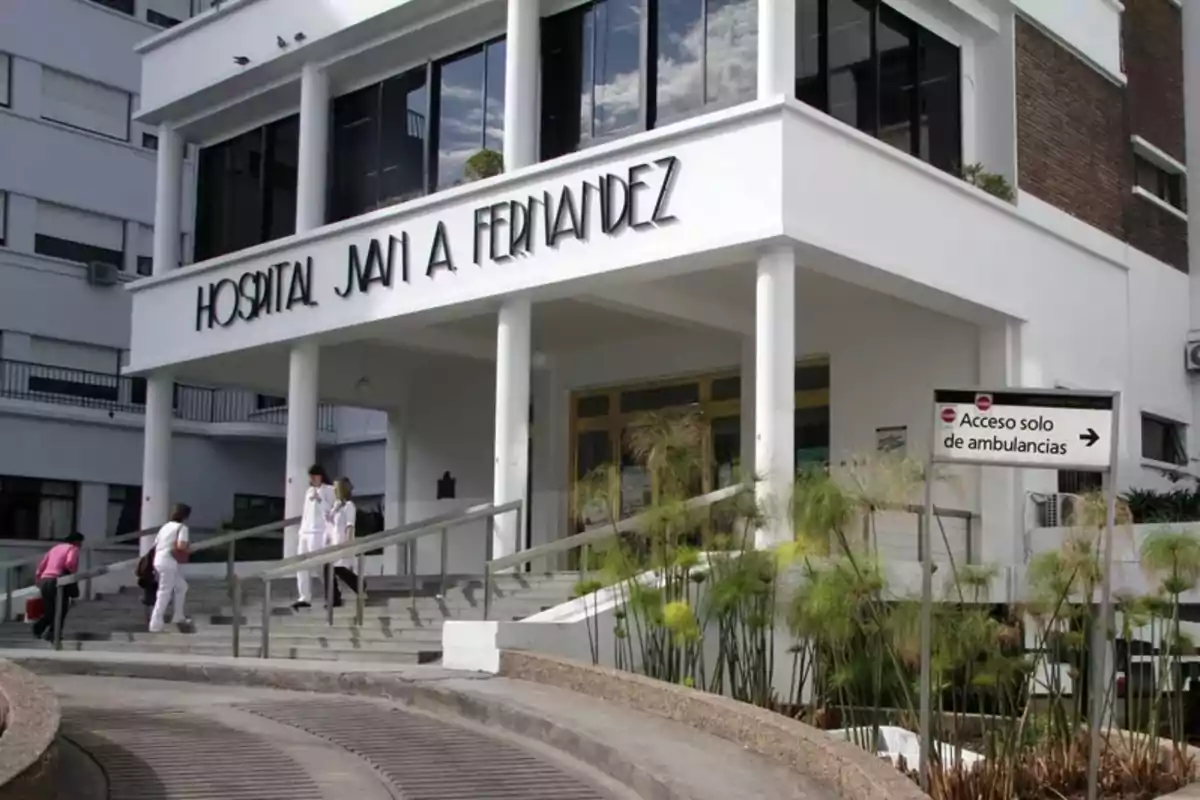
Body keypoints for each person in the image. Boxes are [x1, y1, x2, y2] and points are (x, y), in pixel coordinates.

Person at [293, 464, 334, 610]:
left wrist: (320, 500)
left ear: (320, 475)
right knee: (301, 565)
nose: (312, 478)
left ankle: (332, 593)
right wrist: (301, 531)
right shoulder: (309, 491)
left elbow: (331, 511)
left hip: (319, 532)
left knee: (318, 566)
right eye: (310, 476)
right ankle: (304, 596)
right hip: (306, 531)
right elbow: (305, 513)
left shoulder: (329, 490)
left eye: (314, 475)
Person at [31, 532, 84, 641]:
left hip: (45, 580)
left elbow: (41, 566)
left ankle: (39, 628)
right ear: (76, 541)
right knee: (61, 609)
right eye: (80, 542)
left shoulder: (54, 549)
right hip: (59, 581)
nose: (81, 545)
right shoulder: (72, 548)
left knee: (49, 611)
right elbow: (69, 563)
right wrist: (73, 576)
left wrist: (38, 581)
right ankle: (53, 634)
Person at [149, 503, 192, 633]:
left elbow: (155, 543)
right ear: (186, 516)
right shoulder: (182, 528)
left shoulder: (165, 527)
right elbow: (181, 546)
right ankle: (155, 623)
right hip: (169, 561)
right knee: (164, 591)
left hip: (158, 559)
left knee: (182, 586)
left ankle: (178, 616)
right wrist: (188, 546)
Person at [325, 478, 362, 608]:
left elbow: (350, 526)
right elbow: (329, 521)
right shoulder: (337, 506)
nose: (333, 491)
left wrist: (348, 543)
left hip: (343, 542)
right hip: (333, 544)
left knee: (338, 569)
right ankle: (334, 599)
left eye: (336, 488)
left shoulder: (349, 506)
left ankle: (360, 585)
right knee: (328, 569)